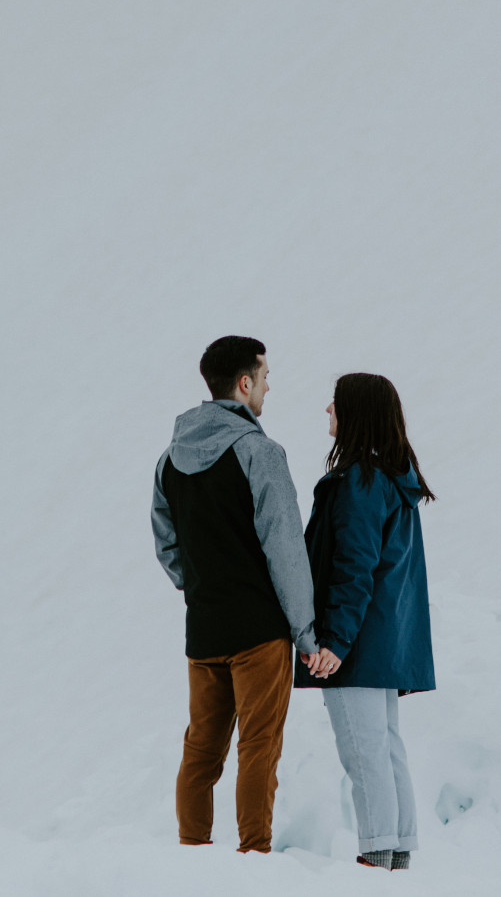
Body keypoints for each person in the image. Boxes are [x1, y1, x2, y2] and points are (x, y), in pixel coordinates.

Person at [152, 335, 330, 853]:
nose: (269, 386)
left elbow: (166, 544)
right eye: (265, 376)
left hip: (203, 631)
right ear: (244, 383)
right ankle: (254, 859)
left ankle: (192, 856)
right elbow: (286, 551)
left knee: (201, 752)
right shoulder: (260, 452)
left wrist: (202, 585)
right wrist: (305, 631)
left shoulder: (169, 459)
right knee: (258, 748)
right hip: (260, 633)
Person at [297, 372, 436, 871]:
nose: (326, 410)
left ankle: (374, 856)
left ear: (354, 413)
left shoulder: (358, 482)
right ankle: (396, 854)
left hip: (355, 643)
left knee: (363, 752)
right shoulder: (392, 482)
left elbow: (353, 566)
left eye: (334, 403)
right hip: (386, 641)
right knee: (386, 746)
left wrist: (334, 640)